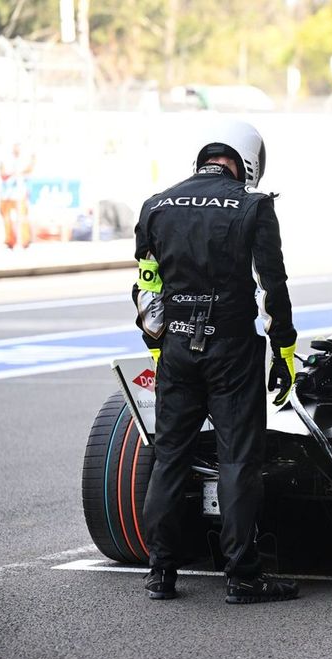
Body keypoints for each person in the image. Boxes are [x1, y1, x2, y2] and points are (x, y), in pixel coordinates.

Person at [132, 119, 300, 603]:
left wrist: (160, 347)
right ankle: (243, 576)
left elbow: (147, 289)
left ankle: (160, 572)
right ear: (247, 161)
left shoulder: (156, 205)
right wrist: (284, 353)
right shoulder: (254, 205)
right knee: (238, 461)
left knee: (169, 458)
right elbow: (273, 288)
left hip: (177, 350)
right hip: (232, 350)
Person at [0, 142, 35, 249]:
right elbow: (3, 174)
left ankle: (25, 240)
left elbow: (28, 171)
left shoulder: (25, 159)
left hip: (20, 192)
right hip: (7, 193)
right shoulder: (5, 159)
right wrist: (13, 173)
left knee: (23, 217)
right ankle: (10, 240)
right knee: (6, 217)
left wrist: (18, 173)